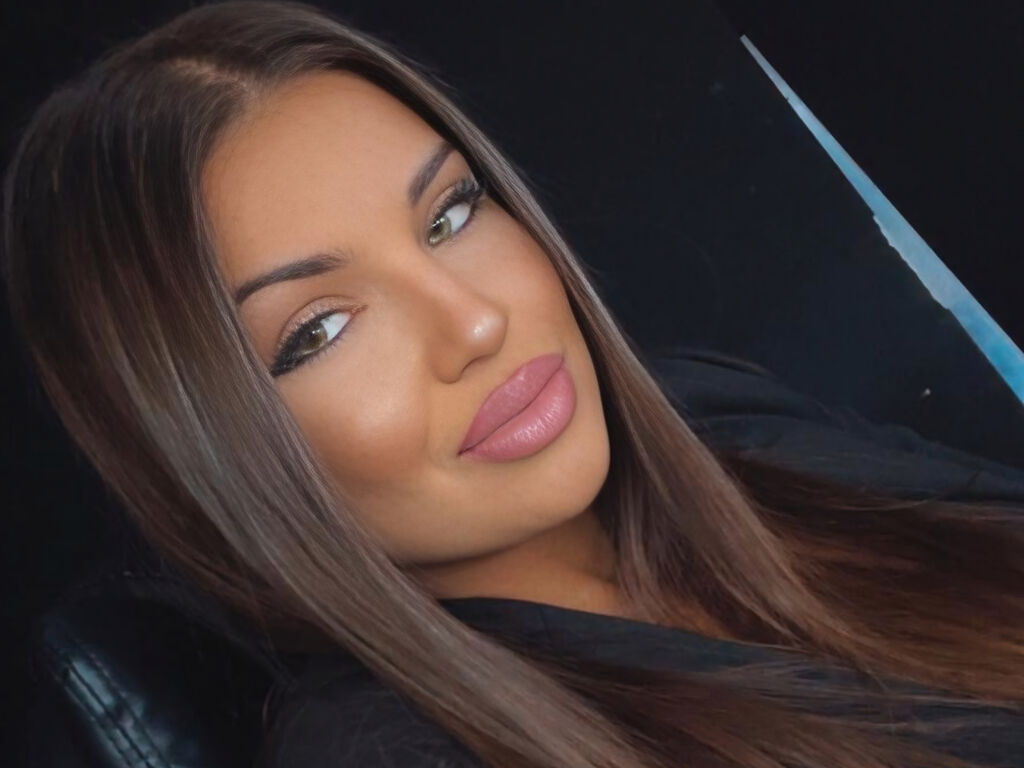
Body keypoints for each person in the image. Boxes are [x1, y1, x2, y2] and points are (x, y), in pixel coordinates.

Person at [4, 2, 1024, 766]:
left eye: (449, 215)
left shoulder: (719, 419)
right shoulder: (399, 753)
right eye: (320, 328)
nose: (477, 322)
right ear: (203, 458)